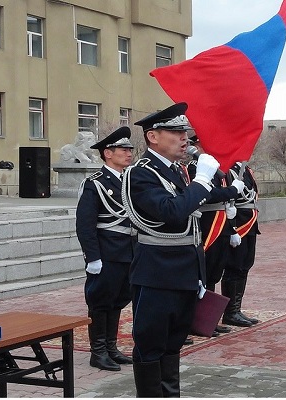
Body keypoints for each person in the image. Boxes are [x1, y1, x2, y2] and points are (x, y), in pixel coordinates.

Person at [122, 102, 240, 397]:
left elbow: (196, 200)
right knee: (151, 343)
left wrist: (228, 191)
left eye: (185, 131)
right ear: (153, 136)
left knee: (174, 341)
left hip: (185, 270)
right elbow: (173, 211)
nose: (184, 138)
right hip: (157, 272)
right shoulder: (141, 173)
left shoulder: (174, 172)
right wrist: (201, 180)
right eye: (175, 132)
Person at [75, 126, 135, 371]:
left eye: (130, 149)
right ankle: (97, 351)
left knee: (118, 300)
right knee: (100, 302)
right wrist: (93, 257)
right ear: (107, 153)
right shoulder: (95, 183)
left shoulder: (129, 180)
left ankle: (111, 347)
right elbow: (85, 224)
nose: (129, 153)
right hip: (107, 253)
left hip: (128, 251)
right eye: (123, 149)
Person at [185, 135, 243, 336]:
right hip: (208, 223)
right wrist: (232, 192)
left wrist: (232, 227)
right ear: (198, 145)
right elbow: (207, 194)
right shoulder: (196, 166)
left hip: (221, 223)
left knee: (215, 272)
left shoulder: (216, 168)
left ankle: (210, 317)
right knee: (206, 272)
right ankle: (199, 319)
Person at [221, 162, 261, 327]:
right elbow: (228, 200)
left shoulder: (246, 169)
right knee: (234, 267)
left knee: (245, 265)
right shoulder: (228, 169)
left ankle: (236, 309)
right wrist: (231, 229)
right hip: (238, 225)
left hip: (250, 224)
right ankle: (230, 312)